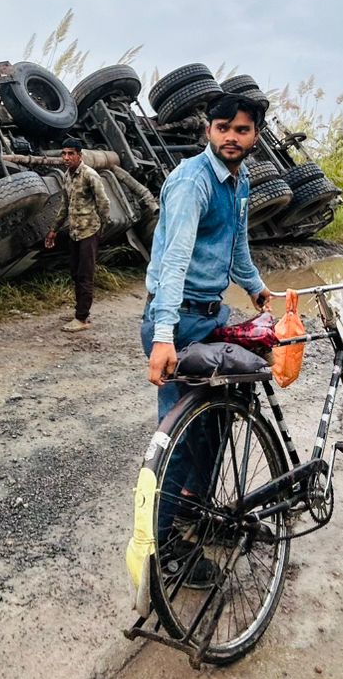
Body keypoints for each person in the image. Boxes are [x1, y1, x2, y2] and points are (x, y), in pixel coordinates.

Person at [141, 93, 273, 585]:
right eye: (223, 129)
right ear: (208, 132)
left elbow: (237, 248)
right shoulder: (191, 182)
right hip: (176, 322)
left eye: (241, 130)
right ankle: (164, 549)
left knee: (216, 425)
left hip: (211, 314)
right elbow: (174, 262)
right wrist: (163, 336)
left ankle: (196, 517)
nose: (231, 138)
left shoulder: (239, 183)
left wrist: (258, 289)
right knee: (178, 434)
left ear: (254, 134)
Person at [44, 138, 112, 333]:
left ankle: (81, 318)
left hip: (88, 232)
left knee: (85, 275)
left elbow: (104, 203)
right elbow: (65, 206)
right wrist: (53, 230)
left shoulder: (90, 175)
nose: (66, 157)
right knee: (75, 272)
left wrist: (100, 229)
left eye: (70, 154)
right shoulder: (67, 176)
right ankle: (81, 311)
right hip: (74, 232)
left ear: (79, 155)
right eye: (63, 153)